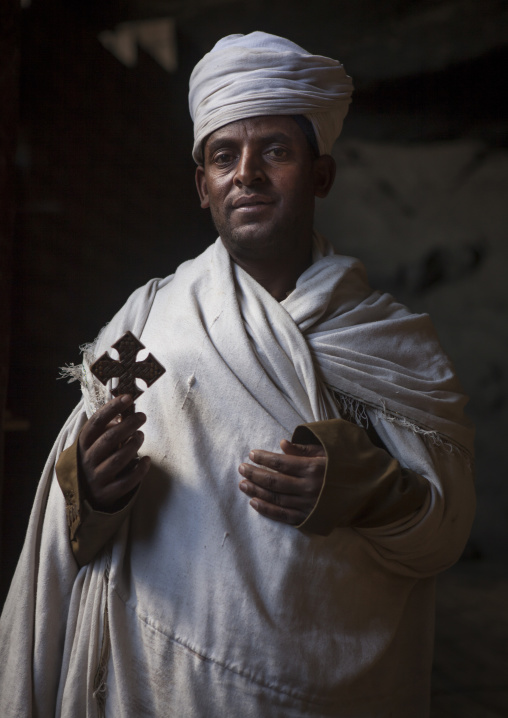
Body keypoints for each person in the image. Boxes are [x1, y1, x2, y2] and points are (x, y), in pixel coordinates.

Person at [0, 32, 475, 718]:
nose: (246, 173)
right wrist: (94, 489)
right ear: (203, 185)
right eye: (225, 156)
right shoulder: (148, 321)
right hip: (160, 689)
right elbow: (70, 501)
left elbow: (445, 528)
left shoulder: (389, 346)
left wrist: (366, 487)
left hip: (327, 694)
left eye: (275, 151)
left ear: (321, 175)